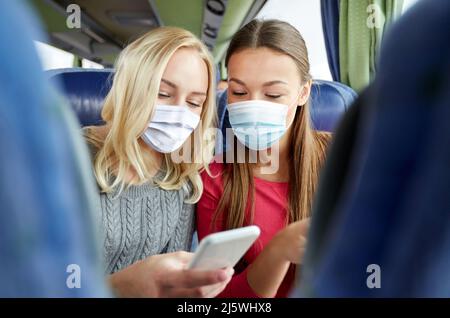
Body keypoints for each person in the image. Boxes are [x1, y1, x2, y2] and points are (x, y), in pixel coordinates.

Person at [83, 26, 232, 297]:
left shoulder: (182, 178)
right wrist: (120, 287)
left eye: (195, 102)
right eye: (163, 94)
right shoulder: (70, 158)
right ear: (131, 88)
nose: (179, 112)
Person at [197, 19, 331, 298]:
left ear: (303, 92)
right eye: (239, 92)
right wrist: (280, 251)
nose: (253, 105)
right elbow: (219, 297)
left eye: (273, 94)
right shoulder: (214, 179)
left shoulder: (343, 156)